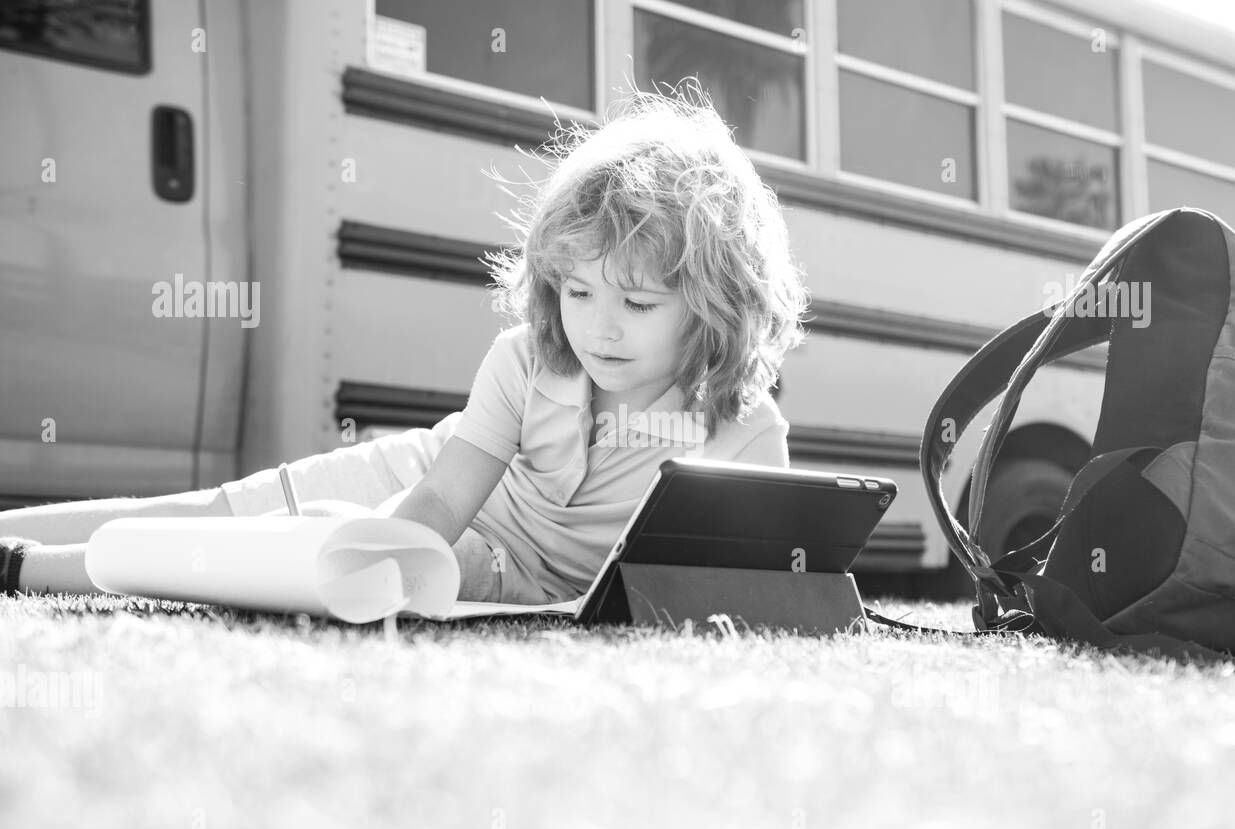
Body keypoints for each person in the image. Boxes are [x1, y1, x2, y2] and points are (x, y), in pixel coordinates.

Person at [0, 82, 810, 605]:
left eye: (636, 301)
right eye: (576, 291)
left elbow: (759, 588)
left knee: (266, 554)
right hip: (434, 480)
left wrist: (345, 552)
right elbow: (439, 503)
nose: (598, 327)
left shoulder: (743, 429)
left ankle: (23, 568)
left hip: (494, 563)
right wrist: (363, 534)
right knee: (226, 512)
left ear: (713, 304)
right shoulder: (526, 360)